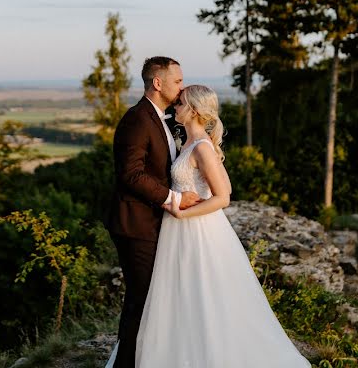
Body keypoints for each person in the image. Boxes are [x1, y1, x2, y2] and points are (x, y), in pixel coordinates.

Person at [106, 84, 312, 368]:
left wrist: (182, 214)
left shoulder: (202, 147)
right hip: (176, 232)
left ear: (192, 110)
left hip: (195, 230)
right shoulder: (190, 143)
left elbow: (223, 196)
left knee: (201, 292)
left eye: (179, 104)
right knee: (177, 294)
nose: (174, 107)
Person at [106, 57, 201, 368]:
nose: (181, 87)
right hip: (135, 225)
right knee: (141, 300)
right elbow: (130, 175)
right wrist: (172, 198)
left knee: (150, 299)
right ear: (158, 83)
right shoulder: (137, 120)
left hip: (153, 224)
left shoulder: (160, 118)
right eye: (177, 81)